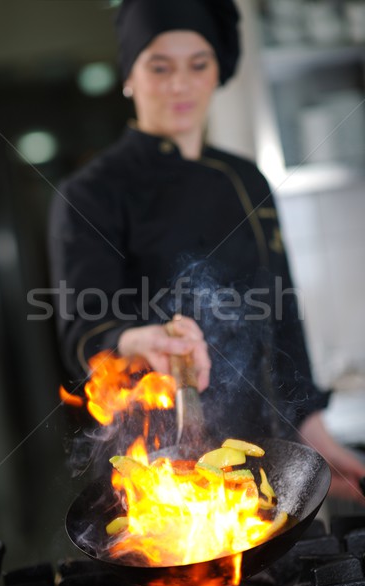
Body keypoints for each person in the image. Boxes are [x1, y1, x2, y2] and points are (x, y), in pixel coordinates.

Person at [49, 0, 365, 502]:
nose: (180, 84)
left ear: (218, 72)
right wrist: (138, 341)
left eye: (198, 65)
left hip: (272, 456)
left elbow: (282, 311)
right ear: (130, 74)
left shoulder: (245, 178)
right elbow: (82, 329)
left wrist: (313, 431)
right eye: (160, 67)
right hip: (166, 462)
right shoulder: (91, 192)